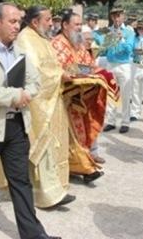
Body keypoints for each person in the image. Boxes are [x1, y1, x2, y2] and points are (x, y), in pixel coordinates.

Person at [0, 2, 60, 239]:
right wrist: (16, 95)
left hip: (16, 125)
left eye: (19, 21)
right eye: (12, 21)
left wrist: (28, 93)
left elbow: (35, 81)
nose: (18, 26)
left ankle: (33, 234)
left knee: (20, 181)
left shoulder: (20, 53)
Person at [3, 5, 74, 209]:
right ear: (35, 22)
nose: (52, 23)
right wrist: (60, 75)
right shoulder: (26, 39)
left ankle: (52, 188)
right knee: (42, 146)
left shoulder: (42, 38)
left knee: (50, 146)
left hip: (52, 100)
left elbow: (52, 65)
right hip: (37, 103)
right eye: (49, 19)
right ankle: (47, 195)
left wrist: (62, 72)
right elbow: (34, 73)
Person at [51, 10, 106, 184]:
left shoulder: (79, 44)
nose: (79, 28)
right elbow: (61, 69)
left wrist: (94, 72)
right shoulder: (56, 44)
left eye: (80, 25)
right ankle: (85, 169)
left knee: (79, 135)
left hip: (79, 99)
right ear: (65, 25)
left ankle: (76, 167)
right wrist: (82, 70)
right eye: (76, 24)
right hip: (61, 99)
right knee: (69, 137)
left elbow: (87, 65)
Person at [102, 7, 135, 133]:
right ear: (111, 17)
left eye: (118, 16)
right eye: (114, 16)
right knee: (111, 94)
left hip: (124, 65)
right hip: (111, 64)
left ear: (123, 17)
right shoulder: (109, 30)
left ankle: (125, 122)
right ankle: (111, 121)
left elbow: (129, 49)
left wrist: (122, 38)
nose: (116, 18)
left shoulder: (129, 31)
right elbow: (105, 48)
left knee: (125, 95)